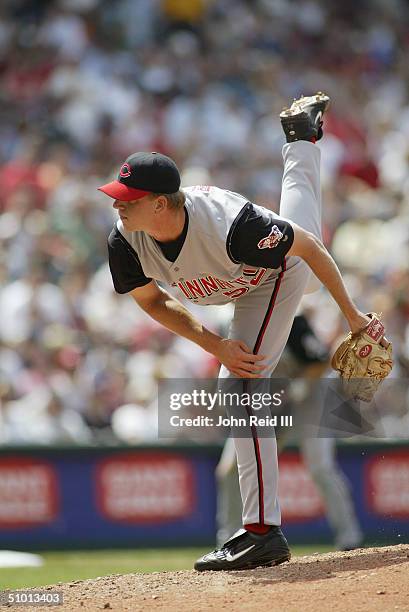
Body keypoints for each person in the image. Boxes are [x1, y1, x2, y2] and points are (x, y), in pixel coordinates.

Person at [98, 92, 371, 571]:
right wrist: (214, 343)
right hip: (236, 290)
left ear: (161, 204)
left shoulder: (231, 224)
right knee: (297, 216)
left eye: (129, 200)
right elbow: (152, 301)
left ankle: (262, 533)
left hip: (276, 275)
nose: (119, 207)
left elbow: (306, 249)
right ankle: (302, 137)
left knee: (241, 386)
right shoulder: (125, 239)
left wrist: (352, 316)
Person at [216, 313, 364, 552]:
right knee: (230, 468)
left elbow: (319, 360)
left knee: (320, 467)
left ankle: (350, 538)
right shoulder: (228, 326)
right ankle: (228, 541)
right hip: (266, 397)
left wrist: (298, 387)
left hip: (311, 394)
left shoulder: (291, 320)